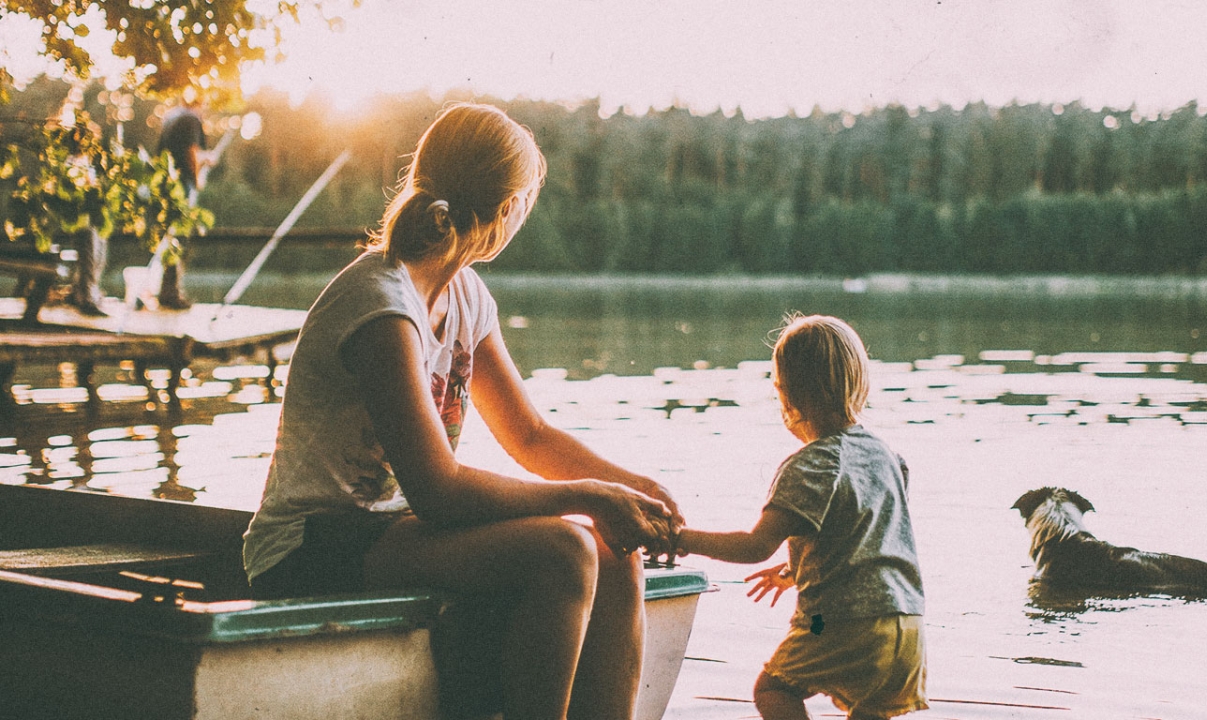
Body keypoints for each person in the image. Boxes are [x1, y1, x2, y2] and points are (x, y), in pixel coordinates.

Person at [241, 103, 681, 720]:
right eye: (526, 199)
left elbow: (528, 434)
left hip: (394, 533)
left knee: (615, 552)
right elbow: (439, 492)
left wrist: (629, 490)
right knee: (566, 552)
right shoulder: (382, 307)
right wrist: (588, 496)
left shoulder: (466, 294)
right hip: (312, 545)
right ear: (507, 210)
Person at [672, 314, 927, 720]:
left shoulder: (811, 465)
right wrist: (794, 571)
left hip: (844, 623)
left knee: (774, 689)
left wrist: (681, 539)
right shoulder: (888, 458)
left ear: (786, 394)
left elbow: (754, 546)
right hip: (908, 629)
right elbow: (866, 538)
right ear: (859, 383)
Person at [154, 100, 207, 308]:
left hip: (165, 183)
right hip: (182, 184)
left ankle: (167, 291)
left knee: (169, 236)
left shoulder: (171, 117)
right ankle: (171, 293)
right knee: (179, 237)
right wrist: (197, 179)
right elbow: (190, 151)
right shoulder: (191, 118)